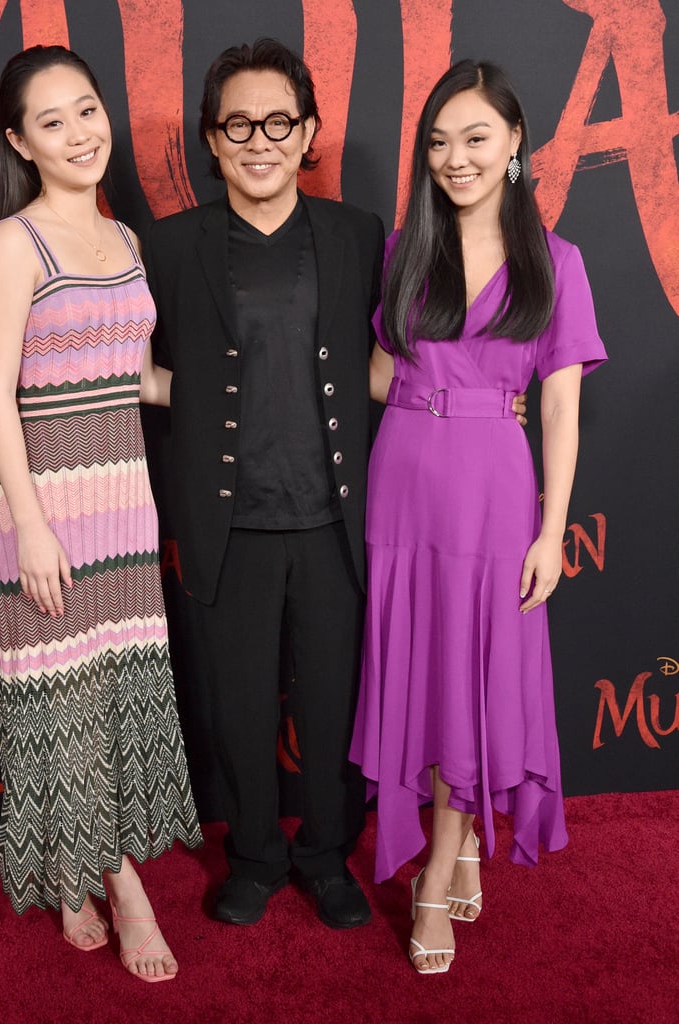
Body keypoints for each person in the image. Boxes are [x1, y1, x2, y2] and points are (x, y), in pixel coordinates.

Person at [349, 59, 607, 974]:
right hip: (403, 476)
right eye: (438, 141)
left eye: (475, 138)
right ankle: (452, 851)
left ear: (515, 148)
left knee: (468, 672)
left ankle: (438, 874)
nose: (454, 158)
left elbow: (565, 407)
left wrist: (551, 527)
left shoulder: (558, 261)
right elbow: (381, 375)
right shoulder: (402, 252)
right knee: (417, 666)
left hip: (497, 486)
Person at [0, 44, 202, 982]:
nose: (79, 131)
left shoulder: (128, 241)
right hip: (47, 504)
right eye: (53, 119)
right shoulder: (11, 245)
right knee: (62, 702)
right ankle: (124, 886)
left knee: (109, 694)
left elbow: (135, 378)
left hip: (123, 502)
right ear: (21, 140)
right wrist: (29, 523)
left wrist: (238, 397)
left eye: (88, 108)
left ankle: (79, 868)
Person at [143, 38, 384, 930]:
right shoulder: (169, 248)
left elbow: (405, 352)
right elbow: (137, 366)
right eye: (237, 122)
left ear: (309, 130)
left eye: (279, 120)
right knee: (238, 708)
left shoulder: (359, 235)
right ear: (212, 138)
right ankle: (253, 857)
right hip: (226, 524)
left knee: (331, 704)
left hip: (334, 522)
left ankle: (325, 855)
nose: (260, 138)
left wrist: (482, 402)